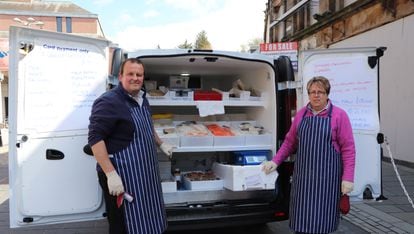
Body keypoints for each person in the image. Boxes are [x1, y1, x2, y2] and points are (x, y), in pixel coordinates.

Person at [88, 58, 175, 234]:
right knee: (123, 225)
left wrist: (161, 143)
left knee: (149, 216)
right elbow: (95, 139)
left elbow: (147, 125)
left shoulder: (142, 98)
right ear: (120, 76)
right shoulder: (108, 101)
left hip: (145, 173)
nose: (135, 78)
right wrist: (111, 174)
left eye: (139, 74)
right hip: (121, 175)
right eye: (130, 74)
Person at [262, 76, 355, 234]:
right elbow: (290, 142)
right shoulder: (301, 115)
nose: (316, 95)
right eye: (312, 92)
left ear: (327, 94)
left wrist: (348, 178)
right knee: (301, 221)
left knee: (323, 223)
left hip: (328, 181)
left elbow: (348, 149)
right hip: (303, 181)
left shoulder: (339, 116)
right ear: (308, 94)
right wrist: (275, 161)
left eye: (320, 92)